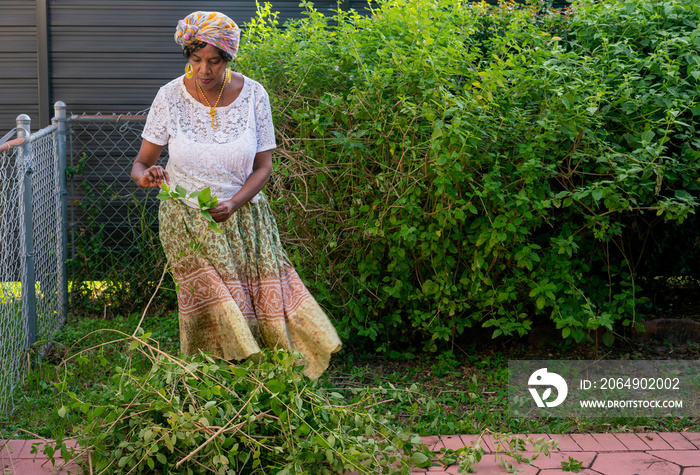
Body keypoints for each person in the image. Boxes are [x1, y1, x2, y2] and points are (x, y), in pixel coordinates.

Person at [130, 11, 341, 379]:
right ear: (187, 57)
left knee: (259, 306)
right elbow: (141, 163)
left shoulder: (254, 95)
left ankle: (264, 382)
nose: (203, 70)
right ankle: (213, 381)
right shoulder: (169, 97)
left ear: (227, 58)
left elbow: (263, 168)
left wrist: (234, 203)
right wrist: (147, 175)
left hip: (246, 220)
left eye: (213, 60)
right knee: (220, 308)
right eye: (196, 60)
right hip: (187, 223)